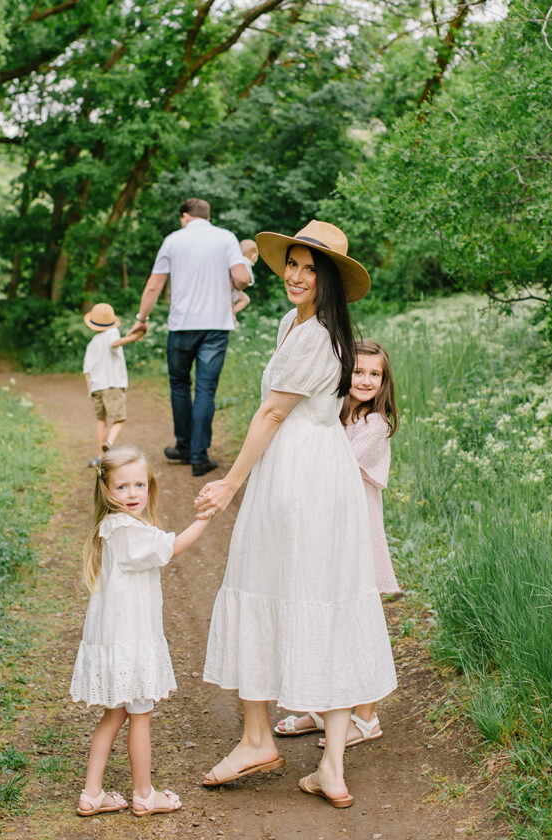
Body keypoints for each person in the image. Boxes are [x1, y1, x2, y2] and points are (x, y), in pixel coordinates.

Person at [194, 221, 397, 809]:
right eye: (293, 264)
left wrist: (231, 482)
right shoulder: (302, 325)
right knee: (325, 596)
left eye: (310, 269)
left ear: (328, 279)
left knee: (268, 584)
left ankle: (262, 738)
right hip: (322, 471)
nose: (296, 275)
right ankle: (326, 765)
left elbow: (272, 415)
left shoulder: (316, 335)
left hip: (298, 475)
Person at [274, 338, 402, 748]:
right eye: (359, 371)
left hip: (355, 537)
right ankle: (325, 706)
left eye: (374, 374)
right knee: (323, 618)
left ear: (384, 382)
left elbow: (329, 464)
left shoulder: (375, 427)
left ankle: (366, 716)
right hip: (325, 532)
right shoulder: (334, 415)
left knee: (354, 619)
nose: (365, 380)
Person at [70, 445, 211, 817]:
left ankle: (92, 793)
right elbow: (172, 547)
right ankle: (144, 795)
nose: (132, 494)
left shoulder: (111, 527)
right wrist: (205, 519)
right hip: (130, 641)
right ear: (107, 491)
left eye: (138, 485)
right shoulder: (128, 532)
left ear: (148, 486)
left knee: (114, 715)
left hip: (113, 639)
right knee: (140, 715)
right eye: (122, 487)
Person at [130, 198, 250, 477]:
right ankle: (199, 456)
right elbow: (242, 278)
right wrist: (232, 283)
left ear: (185, 216)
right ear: (208, 217)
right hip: (215, 328)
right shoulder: (226, 238)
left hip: (181, 326)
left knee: (180, 385)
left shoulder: (173, 240)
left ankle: (183, 447)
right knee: (205, 390)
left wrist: (142, 320)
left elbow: (153, 285)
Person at [83, 302, 141, 467]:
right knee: (119, 419)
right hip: (113, 384)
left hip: (96, 387)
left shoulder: (91, 343)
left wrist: (89, 390)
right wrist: (133, 338)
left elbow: (86, 370)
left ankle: (101, 457)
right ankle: (109, 442)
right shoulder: (113, 332)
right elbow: (114, 343)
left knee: (101, 421)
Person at [231, 239, 259, 320]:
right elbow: (245, 280)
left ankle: (231, 313)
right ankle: (231, 313)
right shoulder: (246, 263)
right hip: (234, 289)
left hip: (229, 287)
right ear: (254, 255)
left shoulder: (236, 260)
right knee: (246, 300)